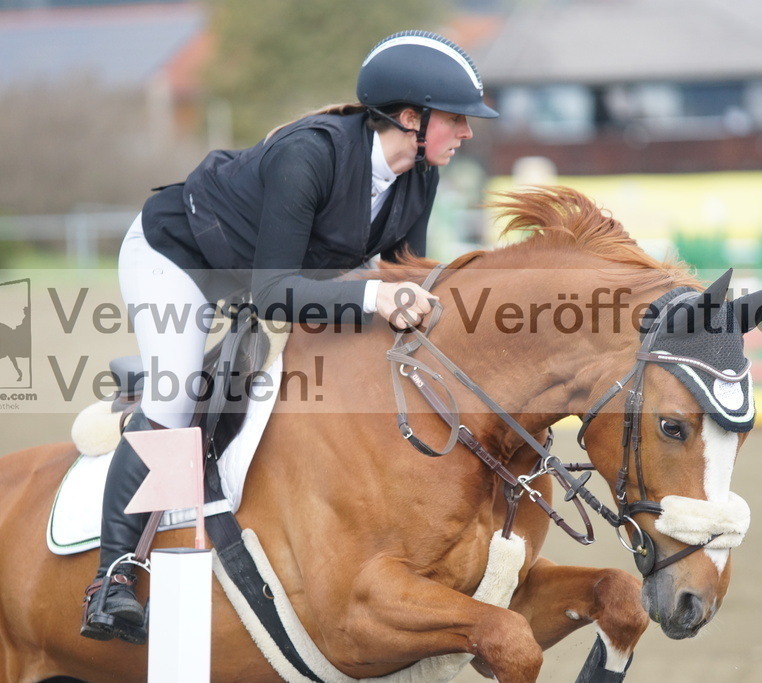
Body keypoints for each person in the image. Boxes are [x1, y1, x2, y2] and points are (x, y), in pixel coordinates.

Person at [80, 29, 498, 643]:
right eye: (457, 121)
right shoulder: (310, 155)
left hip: (266, 276)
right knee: (176, 396)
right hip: (179, 261)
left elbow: (404, 281)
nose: (466, 133)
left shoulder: (419, 177)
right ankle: (112, 578)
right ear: (411, 118)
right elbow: (278, 295)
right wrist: (375, 295)